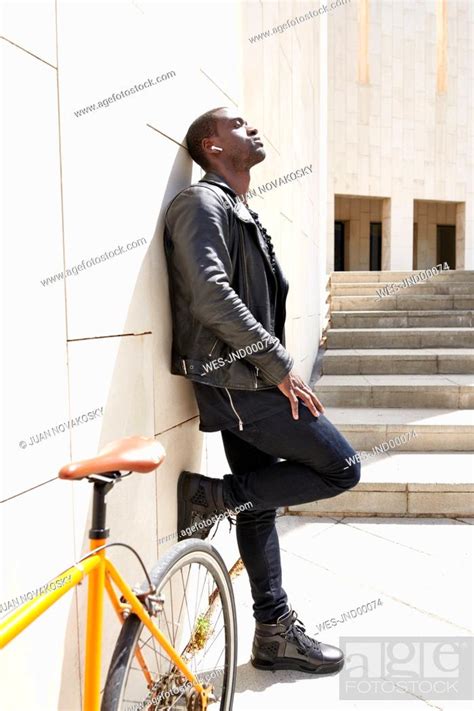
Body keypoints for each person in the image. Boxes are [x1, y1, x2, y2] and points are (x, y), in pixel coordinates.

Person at [163, 107, 361, 675]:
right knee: (342, 468)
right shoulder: (200, 203)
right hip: (239, 383)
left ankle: (273, 635)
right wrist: (278, 367)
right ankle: (212, 497)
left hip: (246, 379)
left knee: (259, 506)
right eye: (237, 124)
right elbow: (209, 293)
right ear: (212, 145)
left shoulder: (238, 210)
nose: (251, 128)